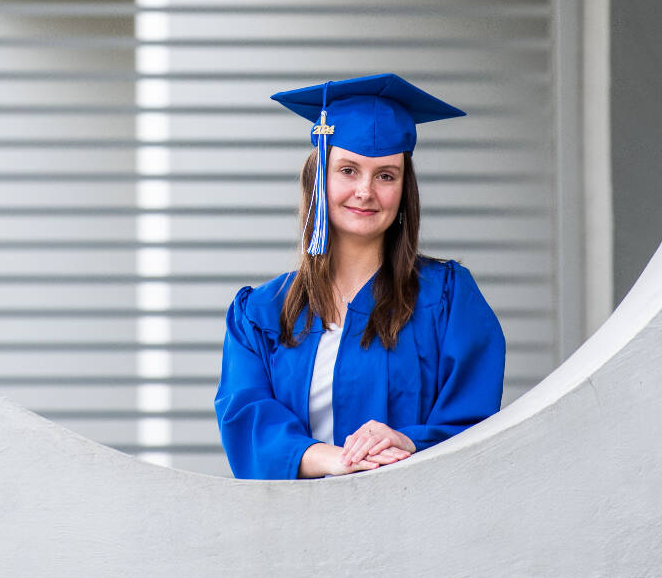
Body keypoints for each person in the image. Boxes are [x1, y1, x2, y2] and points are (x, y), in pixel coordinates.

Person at [215, 73, 507, 479]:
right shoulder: (260, 314)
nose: (366, 191)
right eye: (348, 170)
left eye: (386, 175)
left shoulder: (448, 300)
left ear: (405, 189)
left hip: (417, 522)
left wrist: (410, 442)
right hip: (298, 527)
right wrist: (336, 460)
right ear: (318, 178)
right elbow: (246, 418)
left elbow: (475, 422)